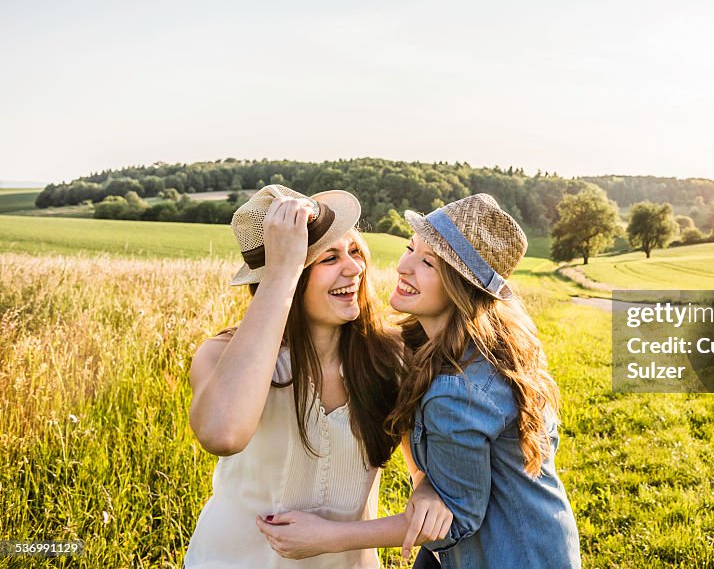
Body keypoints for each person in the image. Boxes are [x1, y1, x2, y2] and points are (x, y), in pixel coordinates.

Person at [258, 193, 581, 568]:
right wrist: (423, 480)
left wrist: (327, 537)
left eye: (428, 262)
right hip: (545, 541)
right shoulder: (480, 348)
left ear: (461, 289)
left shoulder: (457, 390)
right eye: (411, 248)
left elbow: (453, 522)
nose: (404, 267)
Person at [185, 184, 451, 568]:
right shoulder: (221, 354)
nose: (354, 268)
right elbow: (223, 434)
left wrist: (425, 489)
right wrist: (282, 271)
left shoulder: (391, 359)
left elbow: (420, 468)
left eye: (355, 251)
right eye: (329, 257)